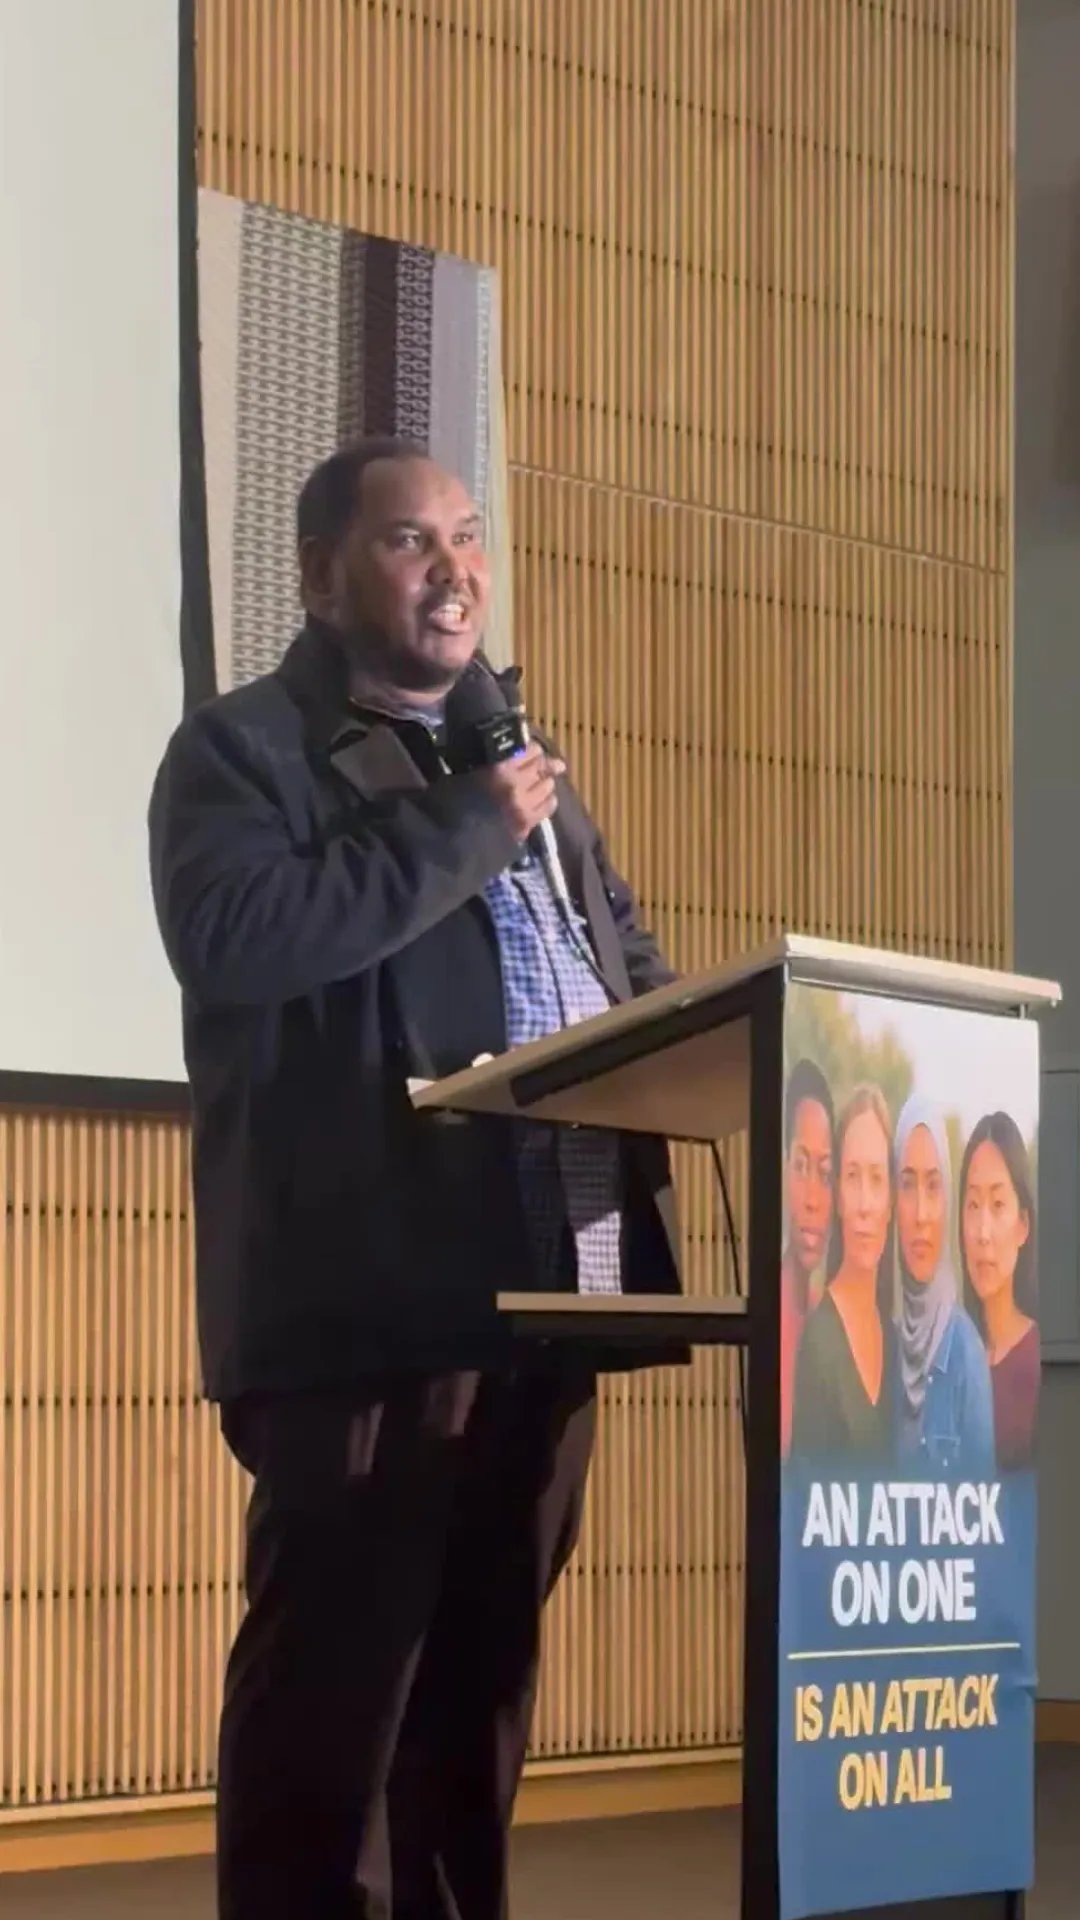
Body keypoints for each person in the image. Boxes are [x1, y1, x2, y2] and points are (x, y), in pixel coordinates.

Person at [148, 437, 682, 1920]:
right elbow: (240, 939)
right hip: (367, 1299)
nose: (454, 571)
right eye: (408, 543)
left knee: (476, 1693)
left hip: (542, 1284)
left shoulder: (523, 774)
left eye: (467, 538)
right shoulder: (242, 755)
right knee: (338, 1693)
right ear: (324, 578)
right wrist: (465, 830)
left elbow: (630, 976)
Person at [892, 1096, 994, 1474]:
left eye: (933, 1187)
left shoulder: (966, 1356)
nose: (920, 1214)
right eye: (907, 1185)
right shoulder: (882, 1344)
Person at [792, 1085, 895, 1462]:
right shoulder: (820, 1343)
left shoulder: (896, 1339)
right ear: (837, 1195)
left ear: (892, 1201)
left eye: (877, 1178)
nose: (866, 1204)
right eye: (853, 1177)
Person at [960, 1112, 1040, 1470]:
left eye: (997, 1205)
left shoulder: (1039, 1364)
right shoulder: (950, 1358)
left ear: (1023, 1225)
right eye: (973, 1205)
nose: (982, 1232)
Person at [780, 1060, 834, 1457]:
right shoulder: (769, 1316)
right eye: (800, 1166)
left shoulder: (827, 1324)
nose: (813, 1198)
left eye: (826, 1173)